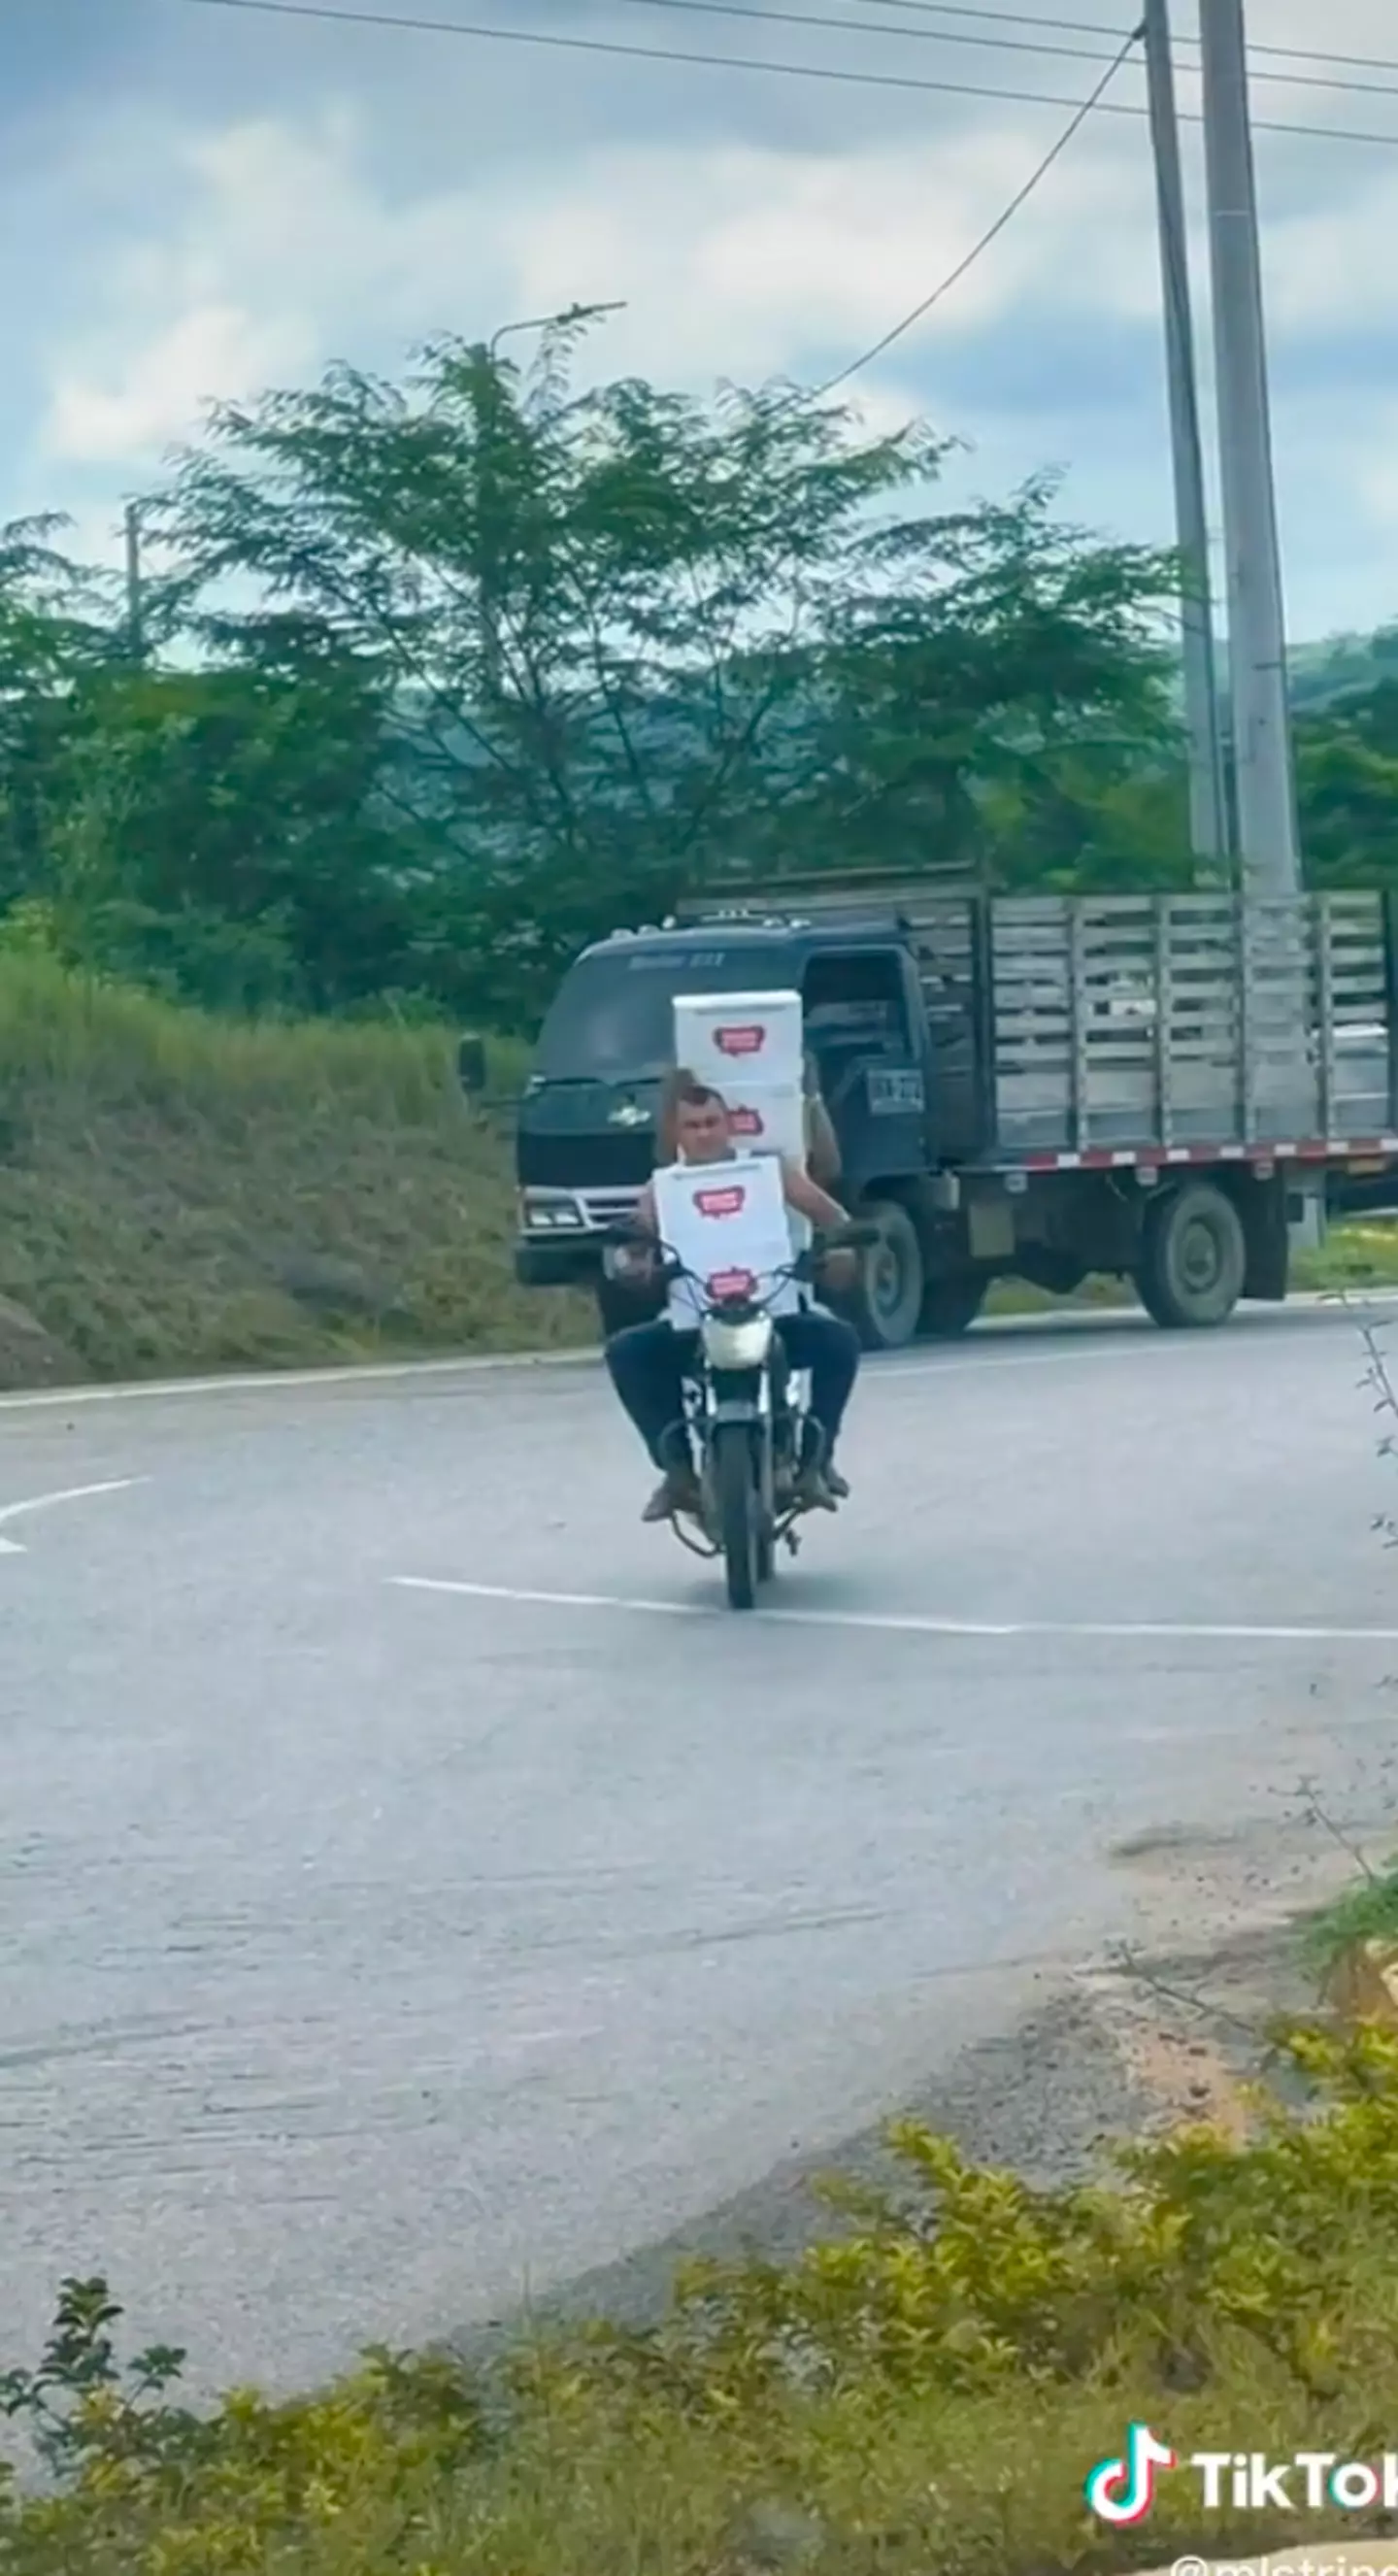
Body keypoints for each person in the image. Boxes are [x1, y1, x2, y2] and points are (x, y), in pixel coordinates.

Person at [605, 1073, 863, 1522]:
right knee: (626, 1352)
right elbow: (636, 1238)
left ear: (728, 1125)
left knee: (839, 1341)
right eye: (693, 1125)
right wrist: (634, 1263)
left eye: (711, 1122)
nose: (704, 1133)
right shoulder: (662, 1187)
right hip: (695, 1322)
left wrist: (840, 1246)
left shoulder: (767, 1171)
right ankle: (678, 1472)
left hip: (772, 1315)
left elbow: (831, 1214)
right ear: (677, 1133)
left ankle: (815, 1463)